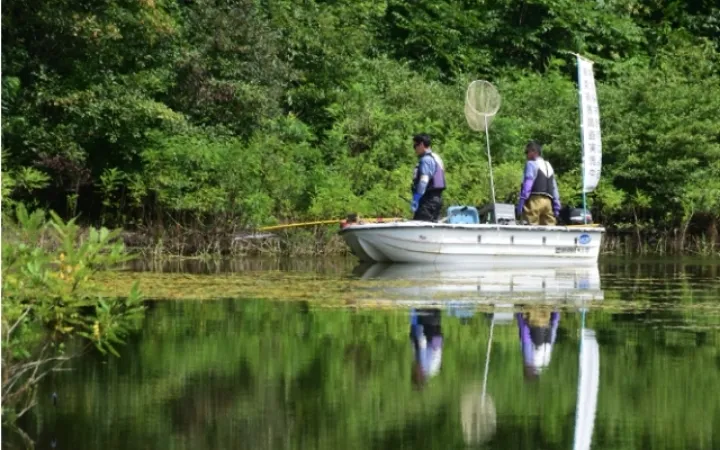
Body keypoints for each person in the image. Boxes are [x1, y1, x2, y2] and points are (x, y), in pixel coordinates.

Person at [516, 141, 561, 225]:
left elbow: (528, 184)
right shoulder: (548, 166)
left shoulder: (531, 164)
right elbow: (554, 188)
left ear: (534, 152)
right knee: (549, 229)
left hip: (534, 200)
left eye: (527, 152)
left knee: (530, 229)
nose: (526, 155)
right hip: (548, 203)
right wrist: (557, 206)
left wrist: (522, 201)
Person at [515, 309, 560, 380]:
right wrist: (519, 315)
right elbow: (525, 336)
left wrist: (556, 316)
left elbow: (553, 332)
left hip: (546, 335)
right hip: (539, 333)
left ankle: (555, 311)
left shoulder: (545, 362)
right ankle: (555, 312)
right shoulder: (530, 361)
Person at [410, 134, 446, 222]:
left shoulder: (426, 160)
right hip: (437, 199)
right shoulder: (436, 157)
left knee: (419, 228)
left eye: (415, 145)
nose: (414, 148)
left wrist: (417, 197)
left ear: (421, 144)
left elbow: (424, 180)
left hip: (428, 201)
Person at [410, 308, 443, 388]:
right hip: (433, 333)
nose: (414, 370)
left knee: (414, 337)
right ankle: (419, 312)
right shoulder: (427, 367)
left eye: (414, 372)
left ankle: (418, 312)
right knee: (415, 336)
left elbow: (416, 346)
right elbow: (421, 342)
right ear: (421, 376)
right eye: (415, 373)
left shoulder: (431, 370)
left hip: (436, 333)